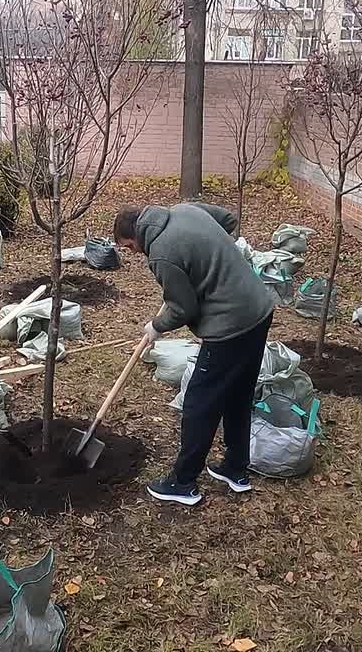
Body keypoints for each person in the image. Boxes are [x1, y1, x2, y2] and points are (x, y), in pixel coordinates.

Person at [113, 203, 274, 506]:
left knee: (199, 404)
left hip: (230, 327)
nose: (134, 253)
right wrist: (210, 258)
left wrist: (155, 327)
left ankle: (183, 482)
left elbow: (185, 308)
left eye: (130, 247)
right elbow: (228, 220)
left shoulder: (160, 253)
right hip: (259, 310)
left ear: (134, 235)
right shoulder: (186, 210)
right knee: (238, 394)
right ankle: (235, 469)